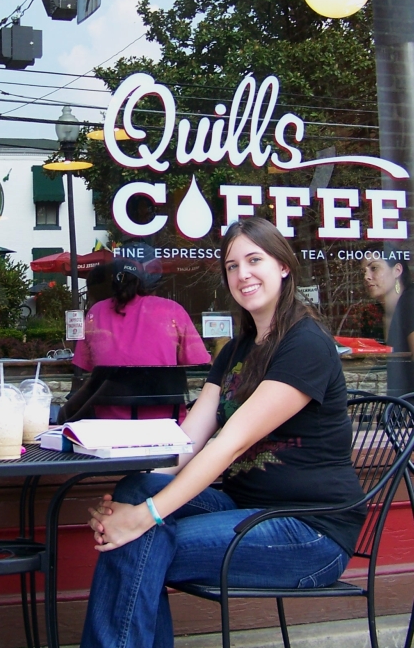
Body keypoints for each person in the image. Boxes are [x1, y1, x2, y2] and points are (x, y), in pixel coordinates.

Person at [81, 217, 366, 648]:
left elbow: (231, 442)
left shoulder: (305, 343)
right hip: (244, 508)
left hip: (309, 531)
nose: (242, 274)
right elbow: (188, 441)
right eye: (232, 266)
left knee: (142, 540)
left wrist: (145, 517)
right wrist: (125, 507)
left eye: (255, 260)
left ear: (283, 266)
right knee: (136, 488)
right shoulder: (237, 349)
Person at [59, 256, 209, 422]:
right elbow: (199, 362)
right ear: (142, 282)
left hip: (107, 426)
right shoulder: (172, 310)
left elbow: (87, 366)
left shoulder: (96, 313)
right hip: (167, 426)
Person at [362, 247, 414, 397]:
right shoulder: (375, 314)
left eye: (374, 268)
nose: (366, 276)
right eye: (363, 272)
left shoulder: (410, 302)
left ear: (397, 270)